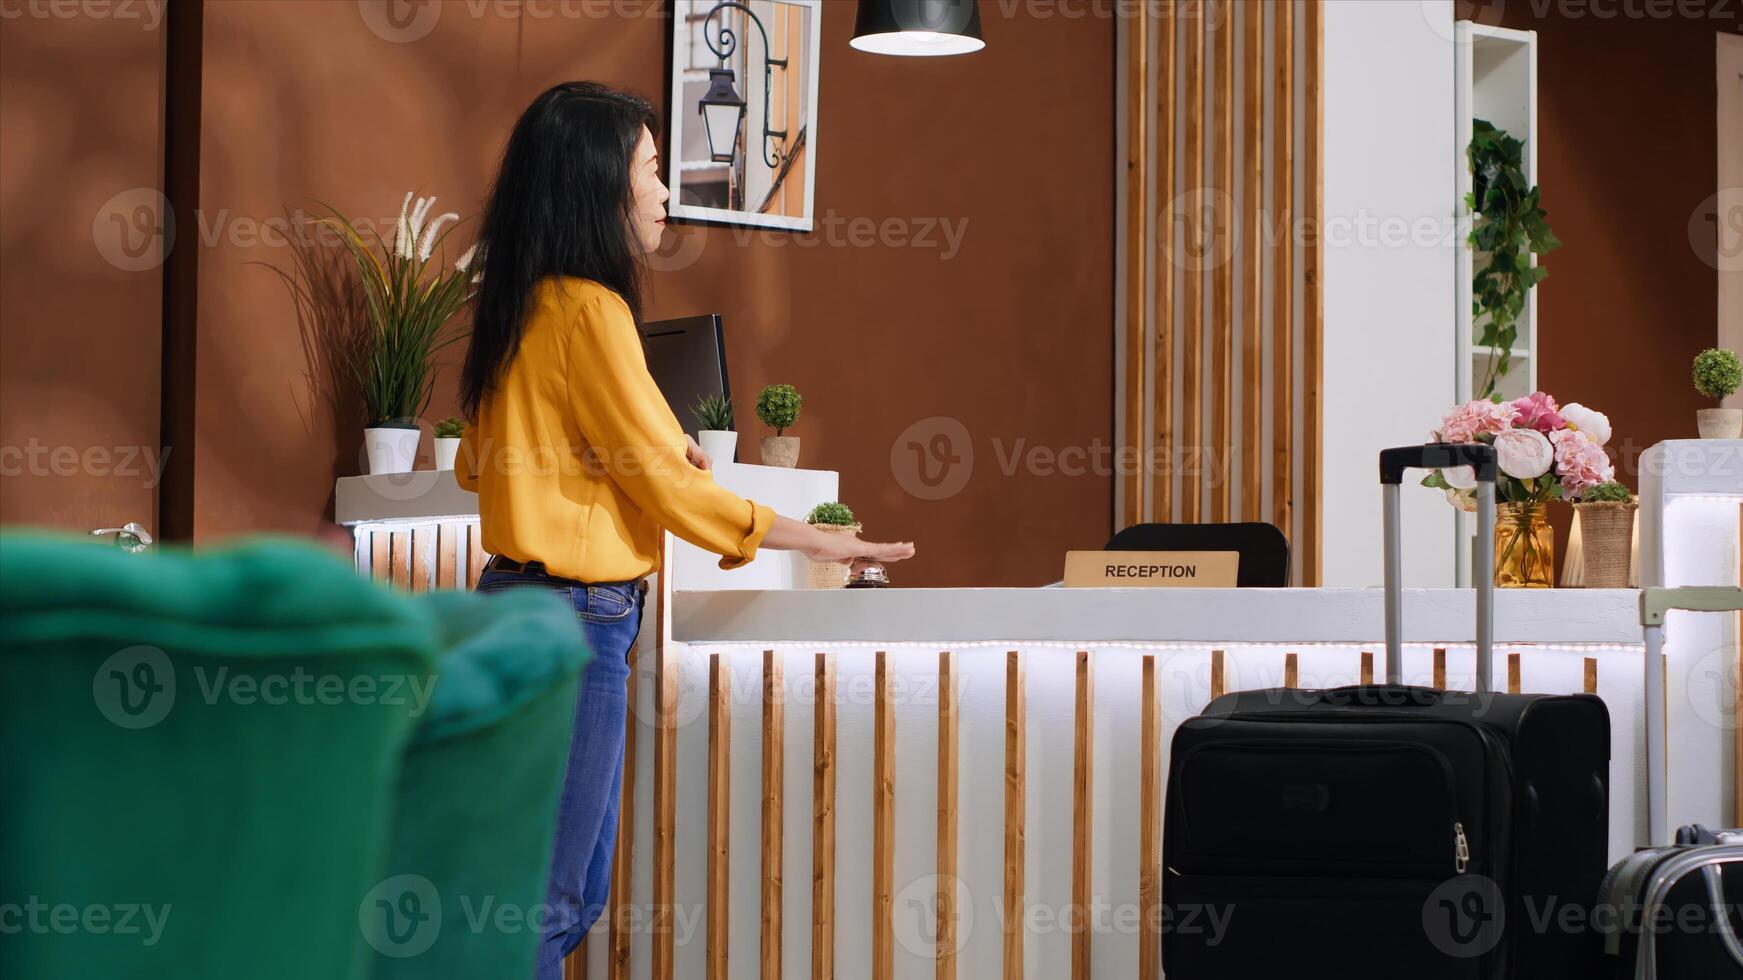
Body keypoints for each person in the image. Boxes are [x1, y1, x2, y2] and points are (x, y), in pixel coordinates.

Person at [454, 81, 914, 979]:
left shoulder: (520, 308)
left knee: (549, 896)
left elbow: (483, 466)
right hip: (574, 619)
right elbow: (663, 484)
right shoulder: (591, 309)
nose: (668, 195)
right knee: (550, 904)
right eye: (654, 172)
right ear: (597, 186)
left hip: (510, 606)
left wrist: (636, 462)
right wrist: (816, 538)